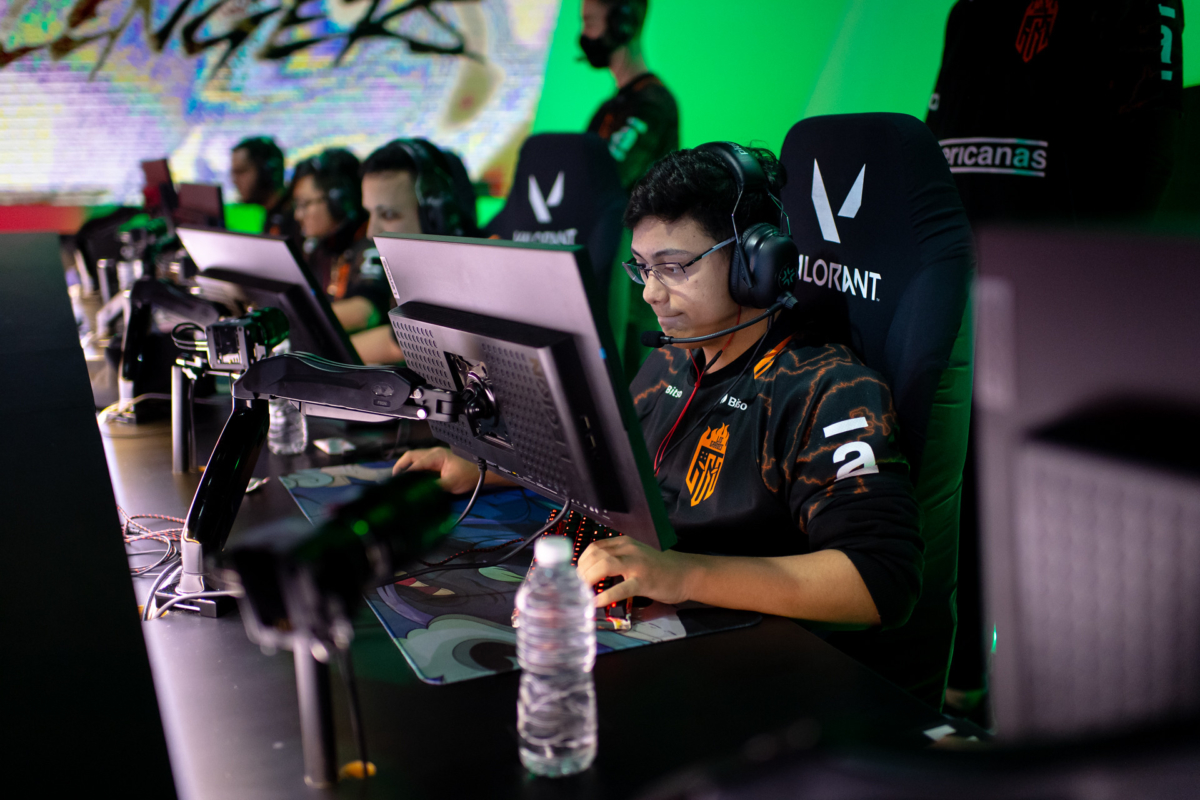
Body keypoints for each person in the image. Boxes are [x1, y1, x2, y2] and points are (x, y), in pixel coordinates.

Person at [395, 146, 928, 681]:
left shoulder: (827, 389)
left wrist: (681, 575)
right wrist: (489, 466)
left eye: (673, 268)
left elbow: (881, 580)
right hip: (646, 613)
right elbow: (615, 458)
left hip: (750, 665)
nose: (650, 293)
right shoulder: (676, 356)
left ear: (754, 265)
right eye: (643, 268)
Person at [333, 139, 476, 364]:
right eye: (369, 214)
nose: (371, 232)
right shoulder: (410, 264)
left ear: (435, 217)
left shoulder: (469, 275)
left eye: (388, 215)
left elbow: (397, 345)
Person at [581, 0, 679, 189]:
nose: (584, 34)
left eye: (589, 23)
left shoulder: (653, 105)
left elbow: (602, 185)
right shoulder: (609, 107)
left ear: (621, 24)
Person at [290, 148, 367, 306]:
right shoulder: (321, 247)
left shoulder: (367, 243)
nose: (297, 215)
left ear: (337, 202)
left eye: (304, 204)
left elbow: (365, 310)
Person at [229, 136, 296, 239]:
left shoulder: (296, 220)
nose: (234, 181)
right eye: (234, 173)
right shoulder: (270, 216)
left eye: (241, 172)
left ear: (267, 172)